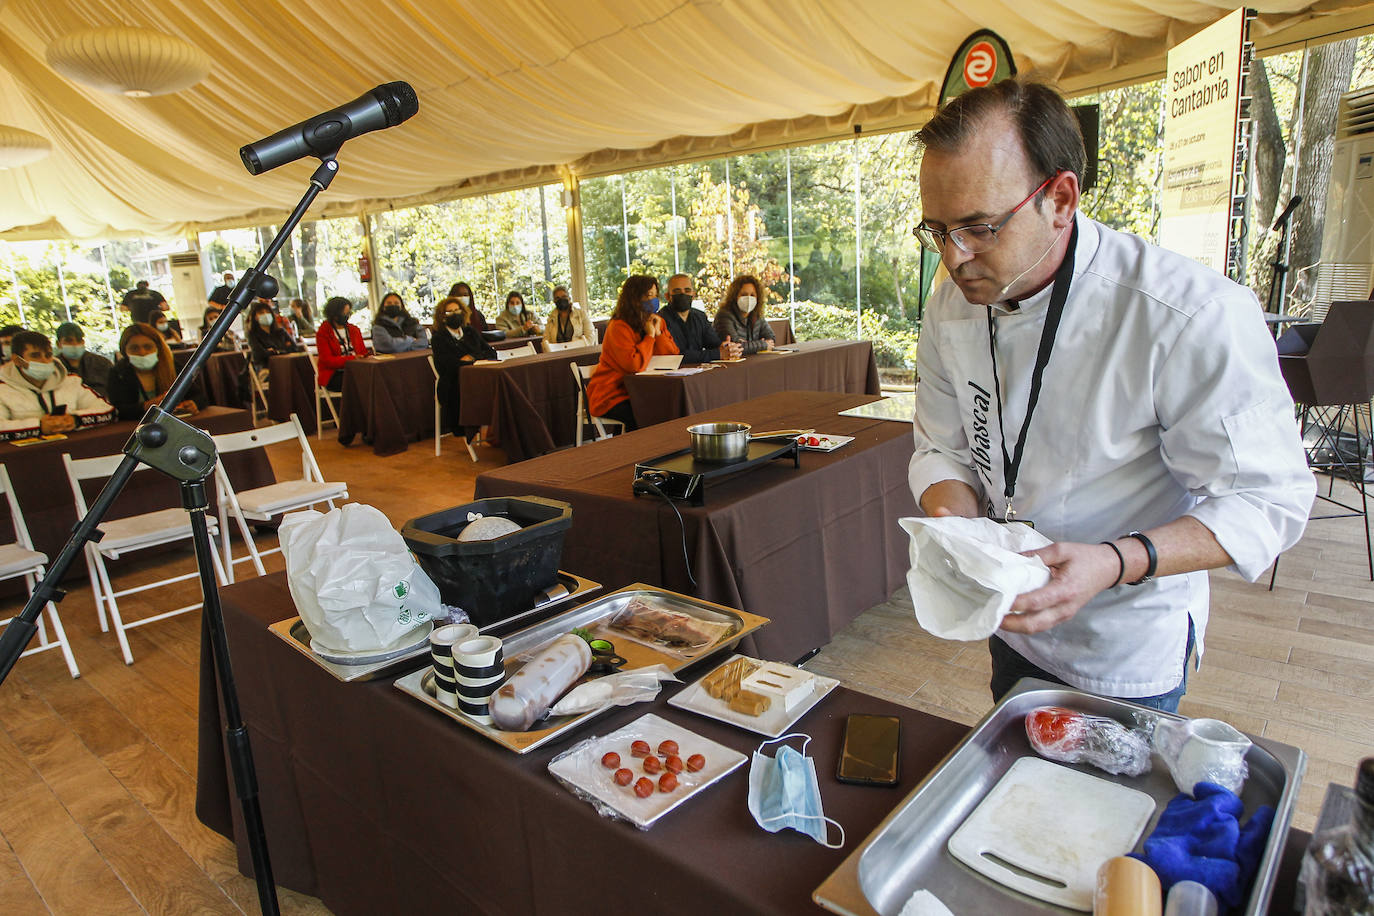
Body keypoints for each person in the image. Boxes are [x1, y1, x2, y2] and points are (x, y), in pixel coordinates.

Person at [907, 78, 1314, 712]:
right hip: (1011, 620)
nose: (955, 259)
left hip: (1125, 641)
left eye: (980, 227)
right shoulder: (952, 301)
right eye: (937, 230)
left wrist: (1115, 561)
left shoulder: (1186, 314)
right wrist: (959, 529)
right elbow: (942, 446)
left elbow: (1268, 498)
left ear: (1061, 198)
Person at [586, 275, 679, 430]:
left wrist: (658, 333)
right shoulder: (618, 327)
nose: (654, 301)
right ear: (635, 298)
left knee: (670, 405)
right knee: (646, 412)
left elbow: (671, 356)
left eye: (656, 296)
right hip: (612, 394)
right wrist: (649, 337)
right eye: (649, 296)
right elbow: (634, 365)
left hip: (644, 390)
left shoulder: (655, 321)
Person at [0, 330, 114, 439]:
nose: (44, 361)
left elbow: (108, 410)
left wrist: (75, 420)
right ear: (17, 360)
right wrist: (38, 426)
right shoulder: (2, 389)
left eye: (48, 355)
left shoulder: (70, 382)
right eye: (35, 356)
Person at [106, 323, 203, 420]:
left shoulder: (173, 366)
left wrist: (194, 404)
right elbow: (117, 410)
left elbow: (200, 396)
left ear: (157, 348)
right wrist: (145, 406)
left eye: (148, 347)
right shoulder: (118, 373)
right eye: (134, 348)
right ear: (124, 351)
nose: (142, 353)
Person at [431, 295, 497, 439]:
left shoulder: (470, 332)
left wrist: (471, 358)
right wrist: (471, 358)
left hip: (480, 377)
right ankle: (483, 429)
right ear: (443, 317)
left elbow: (490, 352)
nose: (455, 314)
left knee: (498, 386)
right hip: (454, 384)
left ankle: (493, 428)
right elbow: (447, 365)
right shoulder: (439, 338)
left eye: (457, 310)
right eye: (450, 312)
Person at [662, 273, 742, 363]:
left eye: (687, 290)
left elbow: (714, 344)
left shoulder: (700, 317)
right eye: (677, 291)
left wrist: (727, 348)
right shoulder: (661, 320)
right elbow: (677, 356)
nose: (683, 294)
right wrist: (717, 354)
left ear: (693, 295)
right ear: (667, 297)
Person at [315, 296, 368, 390]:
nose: (347, 315)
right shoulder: (323, 333)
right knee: (361, 381)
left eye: (349, 313)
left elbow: (363, 352)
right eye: (345, 313)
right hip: (334, 374)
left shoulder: (354, 330)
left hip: (357, 370)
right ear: (334, 314)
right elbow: (327, 361)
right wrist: (352, 359)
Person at [713, 275, 775, 354]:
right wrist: (762, 344)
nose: (749, 299)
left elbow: (771, 338)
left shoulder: (756, 315)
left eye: (752, 295)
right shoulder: (724, 315)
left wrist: (748, 345)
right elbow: (734, 346)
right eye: (744, 295)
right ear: (734, 296)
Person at [54, 321, 114, 400]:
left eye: (79, 340)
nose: (75, 344)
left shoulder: (102, 363)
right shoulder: (53, 367)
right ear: (58, 344)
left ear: (83, 342)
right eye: (69, 341)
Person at [247, 300, 301, 370]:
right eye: (261, 313)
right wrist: (283, 350)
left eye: (268, 312)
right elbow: (259, 354)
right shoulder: (253, 335)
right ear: (255, 317)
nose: (265, 314)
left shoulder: (281, 332)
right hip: (266, 368)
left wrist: (275, 351)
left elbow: (294, 348)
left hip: (287, 365)